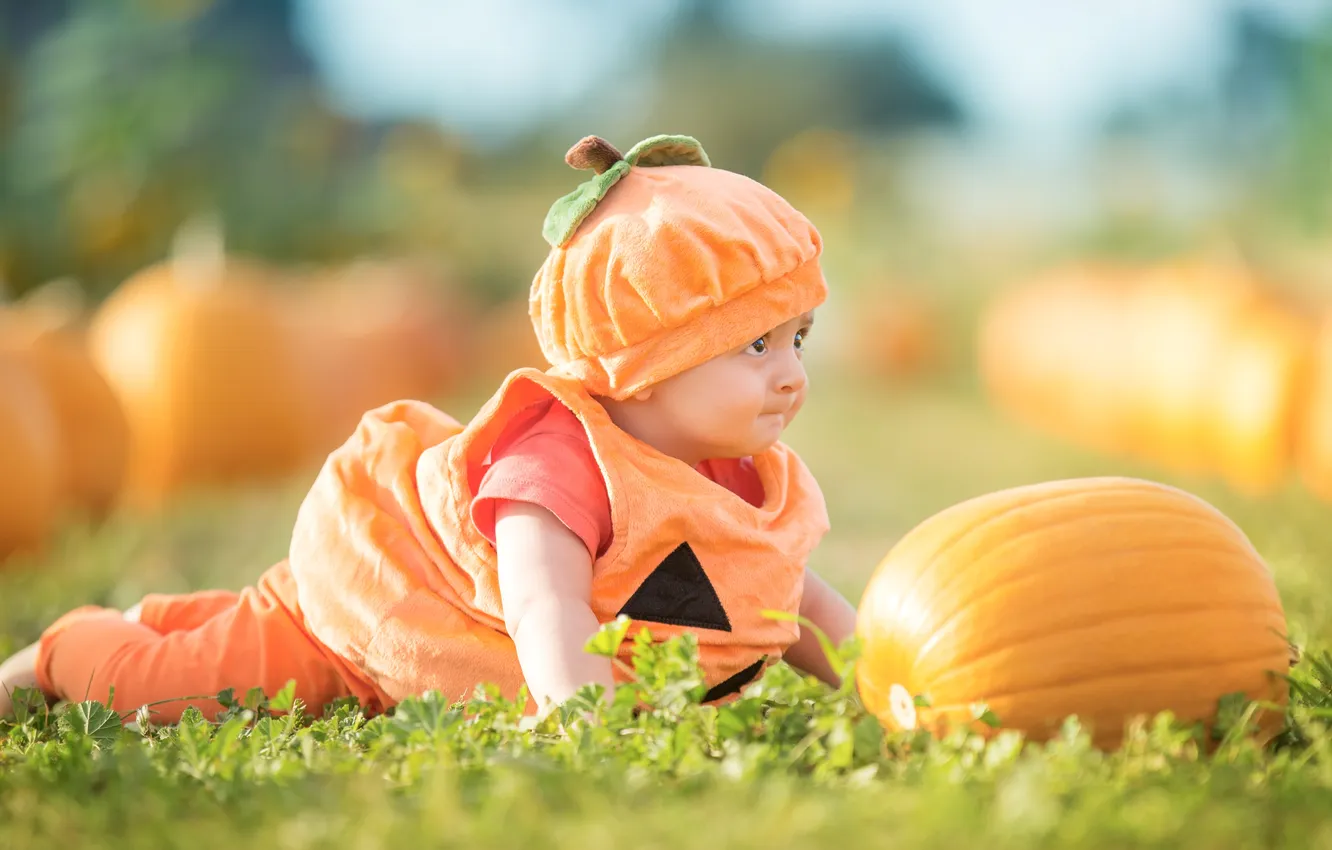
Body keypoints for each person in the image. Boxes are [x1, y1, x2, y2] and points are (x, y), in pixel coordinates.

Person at [0, 133, 858, 724]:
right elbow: (546, 603)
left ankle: (164, 616)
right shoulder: (560, 463)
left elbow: (793, 597)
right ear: (645, 356)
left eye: (798, 339)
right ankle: (65, 652)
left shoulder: (734, 473)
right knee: (177, 691)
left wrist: (882, 681)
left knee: (221, 634)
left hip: (421, 660)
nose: (791, 373)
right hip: (359, 631)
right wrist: (588, 721)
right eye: (754, 345)